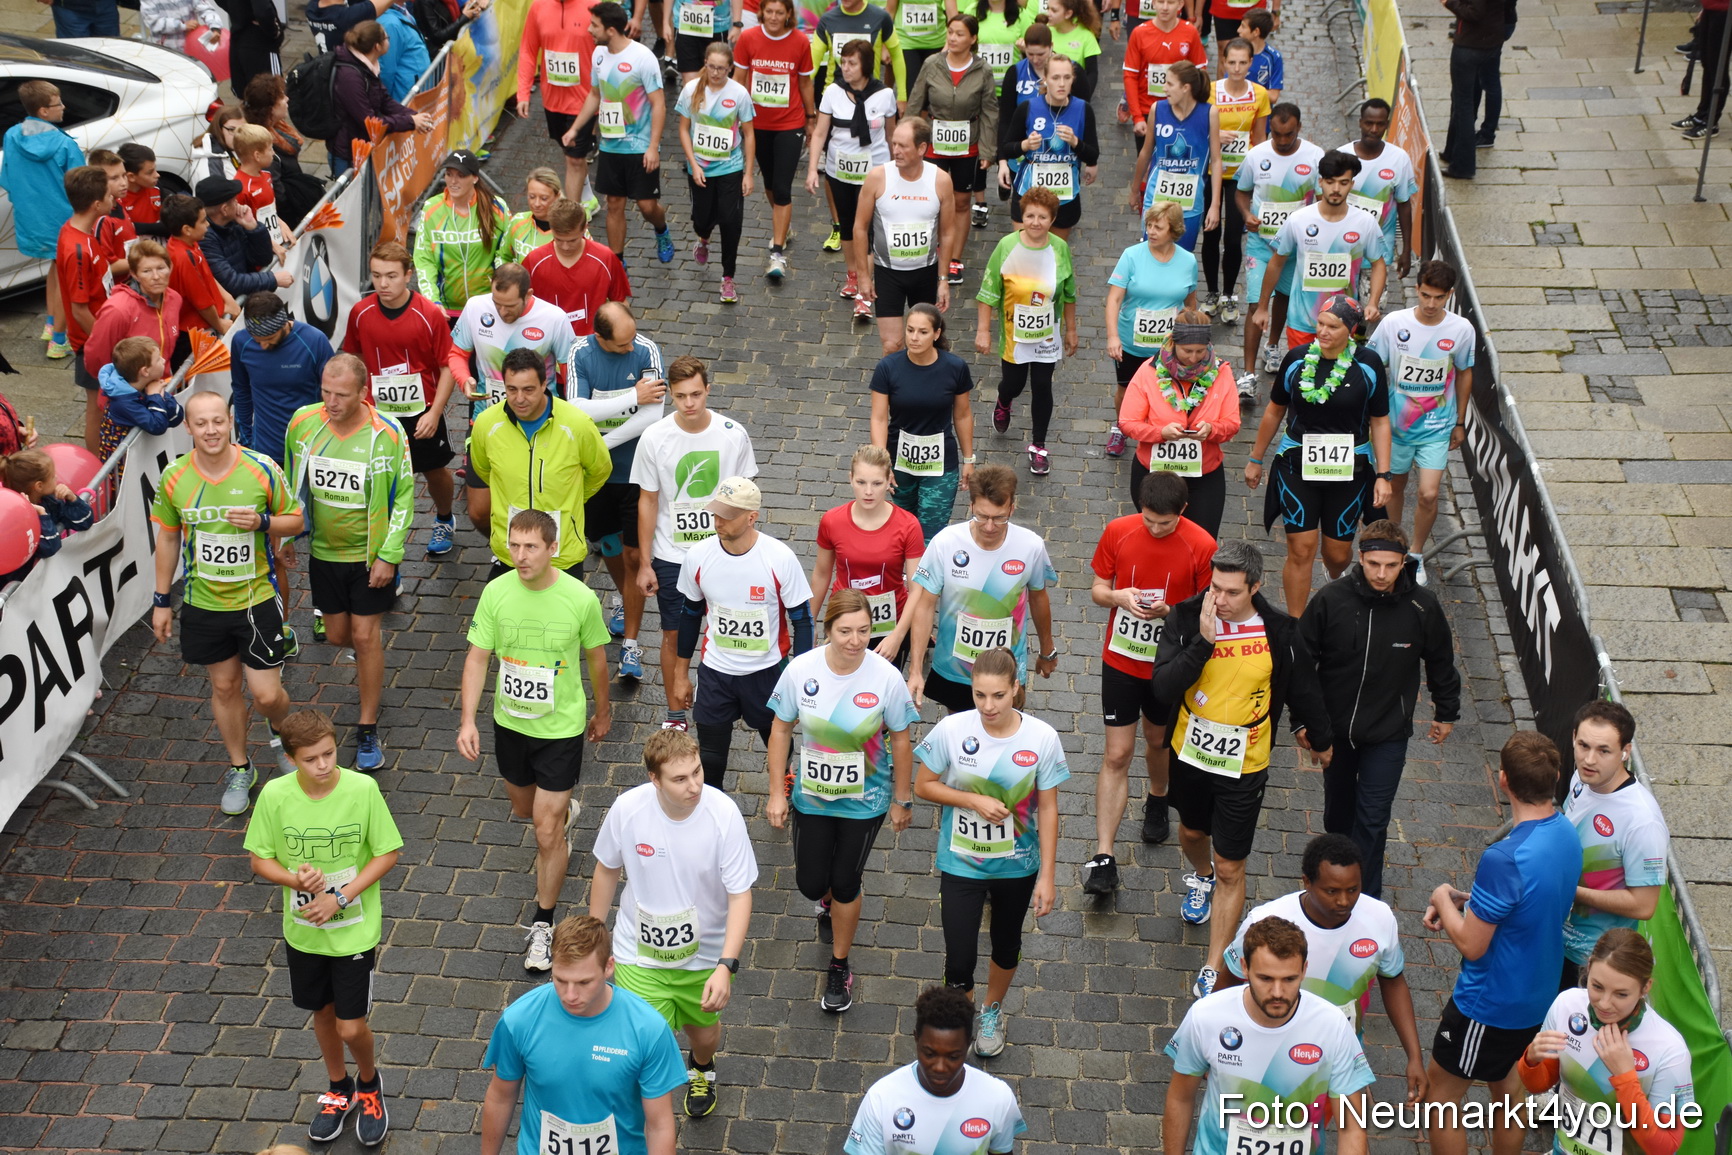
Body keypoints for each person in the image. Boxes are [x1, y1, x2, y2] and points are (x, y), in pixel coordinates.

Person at [1151, 538, 1333, 998]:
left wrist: (1320, 735)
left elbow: (1303, 688)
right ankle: (1202, 875)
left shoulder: (1281, 631)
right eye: (1216, 588)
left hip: (1246, 761)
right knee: (1192, 835)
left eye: (1233, 592)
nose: (1222, 600)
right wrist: (1203, 643)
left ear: (1256, 586)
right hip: (1190, 753)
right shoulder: (1188, 616)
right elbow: (1162, 687)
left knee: (1232, 864)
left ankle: (1214, 964)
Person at [459, 509, 613, 970]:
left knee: (545, 831)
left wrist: (602, 711)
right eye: (514, 545)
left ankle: (544, 924)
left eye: (530, 547)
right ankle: (562, 814)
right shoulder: (495, 592)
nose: (520, 556)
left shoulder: (580, 599)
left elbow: (597, 660)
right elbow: (476, 658)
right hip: (510, 724)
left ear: (553, 549)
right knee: (525, 811)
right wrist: (468, 719)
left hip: (560, 729)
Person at [243, 709, 402, 1148]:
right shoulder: (275, 796)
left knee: (351, 1026)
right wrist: (295, 879)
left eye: (329, 753)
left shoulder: (362, 789)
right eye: (311, 758)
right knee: (323, 1015)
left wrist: (341, 896)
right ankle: (338, 1087)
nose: (324, 765)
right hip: (304, 933)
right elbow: (259, 859)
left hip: (354, 930)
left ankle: (369, 1084)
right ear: (292, 759)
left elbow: (387, 853)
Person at [1422, 731, 1581, 1155]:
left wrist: (1442, 896)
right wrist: (1471, 902)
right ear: (1558, 777)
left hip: (1489, 1003)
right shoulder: (1566, 831)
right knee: (1509, 1090)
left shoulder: (1503, 857)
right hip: (1538, 994)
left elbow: (1472, 946)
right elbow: (1528, 901)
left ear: (1502, 780)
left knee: (1441, 1095)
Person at [589, 728, 759, 1118]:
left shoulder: (723, 814)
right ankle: (649, 1117)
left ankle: (701, 1067)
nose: (695, 785)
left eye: (697, 772)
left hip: (704, 960)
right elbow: (606, 870)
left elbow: (740, 895)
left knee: (704, 1035)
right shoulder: (628, 809)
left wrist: (726, 965)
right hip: (639, 956)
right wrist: (595, 939)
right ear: (655, 780)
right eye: (680, 779)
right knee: (645, 1043)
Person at [150, 391, 305, 814]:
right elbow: (166, 537)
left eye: (218, 421)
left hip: (255, 600)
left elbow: (296, 519)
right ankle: (241, 767)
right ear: (189, 428)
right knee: (223, 685)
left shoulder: (261, 469)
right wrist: (162, 599)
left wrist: (263, 522)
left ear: (230, 421)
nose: (211, 430)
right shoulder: (175, 478)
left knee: (267, 695)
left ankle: (283, 737)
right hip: (204, 603)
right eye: (201, 423)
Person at [766, 590, 918, 1011]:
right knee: (812, 883)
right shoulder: (801, 670)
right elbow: (780, 730)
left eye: (865, 631)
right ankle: (828, 901)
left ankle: (839, 966)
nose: (856, 640)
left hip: (865, 801)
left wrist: (901, 799)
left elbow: (902, 741)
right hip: (812, 799)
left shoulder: (885, 677)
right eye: (845, 631)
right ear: (827, 629)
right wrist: (777, 791)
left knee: (847, 880)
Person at [914, 647, 1066, 1056]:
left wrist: (1048, 877)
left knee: (1005, 941)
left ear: (1016, 689)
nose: (988, 705)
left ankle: (992, 1012)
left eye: (998, 695)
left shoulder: (1041, 738)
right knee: (959, 956)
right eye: (980, 695)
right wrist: (971, 801)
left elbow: (1049, 809)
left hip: (1016, 865)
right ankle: (963, 1019)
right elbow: (923, 785)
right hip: (961, 860)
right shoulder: (951, 729)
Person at [1298, 520, 1462, 899]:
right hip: (1336, 732)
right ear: (1361, 558)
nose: (1382, 574)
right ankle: (1329, 885)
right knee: (1338, 819)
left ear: (1404, 561)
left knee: (1373, 821)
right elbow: (1302, 664)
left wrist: (1445, 711)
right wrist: (1303, 722)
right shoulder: (1331, 600)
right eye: (1374, 564)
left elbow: (1440, 660)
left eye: (1391, 565)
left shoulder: (1423, 606)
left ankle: (1364, 900)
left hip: (1388, 734)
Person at [1220, 834, 1429, 1103]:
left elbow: (1393, 981)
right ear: (1307, 882)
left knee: (1353, 1133)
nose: (1344, 901)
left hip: (1341, 1051)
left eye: (1353, 889)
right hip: (1271, 1056)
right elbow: (1227, 984)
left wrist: (1414, 1057)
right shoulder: (1264, 922)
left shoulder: (1380, 918)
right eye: (1332, 891)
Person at [1081, 471, 1213, 893]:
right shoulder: (1118, 531)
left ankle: (1158, 798)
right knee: (1117, 753)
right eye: (1149, 520)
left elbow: (1206, 612)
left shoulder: (1202, 545)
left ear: (1183, 512)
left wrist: (1169, 612)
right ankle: (1104, 855)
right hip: (1120, 658)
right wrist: (1118, 597)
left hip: (1169, 663)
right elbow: (1098, 589)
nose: (1156, 529)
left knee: (1158, 741)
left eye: (1166, 523)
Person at [282, 355, 415, 772]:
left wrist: (388, 556)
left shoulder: (387, 434)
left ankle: (368, 726)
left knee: (364, 635)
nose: (331, 402)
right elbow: (291, 482)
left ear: (363, 393)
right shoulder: (304, 423)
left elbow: (405, 496)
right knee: (338, 636)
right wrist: (286, 536)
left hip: (368, 557)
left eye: (341, 395)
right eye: (325, 391)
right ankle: (366, 658)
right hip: (324, 553)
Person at [1163, 917, 1375, 1155]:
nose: (1277, 992)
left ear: (1304, 970)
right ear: (1244, 967)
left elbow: (1352, 1125)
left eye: (1289, 979)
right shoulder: (1206, 1015)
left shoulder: (1332, 1025)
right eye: (1265, 978)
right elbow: (1180, 1099)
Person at [480, 914, 688, 1155]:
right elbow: (501, 1097)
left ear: (609, 967)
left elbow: (659, 1126)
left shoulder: (647, 1029)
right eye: (560, 980)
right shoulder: (519, 1020)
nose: (570, 995)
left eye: (583, 982)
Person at [630, 356, 759, 731]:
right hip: (673, 555)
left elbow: (746, 499)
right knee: (673, 632)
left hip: (722, 551)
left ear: (708, 390)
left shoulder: (732, 434)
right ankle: (674, 714)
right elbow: (648, 500)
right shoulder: (654, 438)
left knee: (725, 625)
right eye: (682, 396)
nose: (690, 403)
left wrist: (745, 549)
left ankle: (722, 692)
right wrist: (645, 562)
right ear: (670, 394)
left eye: (697, 394)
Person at [1243, 295, 1392, 611]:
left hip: (1350, 467)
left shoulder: (1368, 365)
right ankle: (1295, 629)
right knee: (1300, 548)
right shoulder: (1297, 359)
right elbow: (1274, 411)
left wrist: (1383, 474)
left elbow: (1380, 421)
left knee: (1337, 554)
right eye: (1320, 324)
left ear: (1350, 330)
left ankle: (1333, 576)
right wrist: (1255, 459)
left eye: (1332, 326)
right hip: (1297, 463)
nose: (1323, 332)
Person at [670, 476, 815, 789]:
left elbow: (802, 620)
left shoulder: (779, 558)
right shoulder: (698, 556)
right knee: (710, 756)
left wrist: (801, 681)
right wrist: (681, 675)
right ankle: (714, 804)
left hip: (766, 673)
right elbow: (690, 615)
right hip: (716, 672)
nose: (718, 521)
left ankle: (785, 777)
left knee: (777, 740)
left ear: (752, 517)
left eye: (728, 515)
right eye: (716, 512)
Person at [1519, 929, 1696, 1155]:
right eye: (1597, 986)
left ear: (1645, 988)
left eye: (1621, 994)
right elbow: (1538, 1085)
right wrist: (1531, 1060)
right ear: (1589, 967)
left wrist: (1625, 1078)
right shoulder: (1567, 1005)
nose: (1604, 1004)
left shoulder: (1670, 1049)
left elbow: (1665, 1144)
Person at [341, 240, 460, 558]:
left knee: (434, 470)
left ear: (408, 275)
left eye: (391, 275)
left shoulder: (428, 315)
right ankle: (377, 533)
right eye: (377, 275)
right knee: (378, 474)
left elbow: (448, 365)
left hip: (421, 411)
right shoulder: (360, 312)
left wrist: (435, 413)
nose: (382, 284)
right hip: (378, 415)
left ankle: (445, 518)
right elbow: (352, 355)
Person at [904, 464, 1056, 712]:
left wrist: (1047, 650)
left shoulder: (1031, 546)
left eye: (999, 518)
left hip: (1006, 670)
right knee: (962, 742)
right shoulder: (946, 542)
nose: (989, 526)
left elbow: (1038, 598)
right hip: (957, 669)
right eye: (982, 516)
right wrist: (915, 670)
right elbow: (925, 604)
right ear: (971, 506)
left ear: (1011, 507)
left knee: (1003, 738)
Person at [568, 300, 667, 677]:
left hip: (634, 473)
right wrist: (631, 398)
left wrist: (601, 445)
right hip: (595, 478)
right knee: (609, 547)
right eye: (622, 345)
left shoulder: (646, 350)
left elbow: (652, 415)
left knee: (632, 555)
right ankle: (625, 599)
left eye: (632, 339)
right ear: (599, 337)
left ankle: (631, 645)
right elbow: (576, 410)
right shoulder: (580, 352)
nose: (631, 348)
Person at [1366, 260, 1476, 582]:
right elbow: (1373, 365)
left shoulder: (1461, 330)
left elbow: (1465, 373)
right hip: (1396, 428)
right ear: (1416, 290)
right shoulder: (1393, 323)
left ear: (1449, 295)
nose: (1430, 304)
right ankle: (1395, 547)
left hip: (1436, 428)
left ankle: (1415, 554)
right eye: (1426, 295)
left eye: (1438, 298)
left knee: (1428, 493)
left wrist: (1459, 421)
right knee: (1394, 487)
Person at [468, 347, 613, 579]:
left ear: (545, 384)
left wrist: (573, 496)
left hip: (562, 553)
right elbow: (484, 469)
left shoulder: (578, 425)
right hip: (511, 554)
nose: (519, 399)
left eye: (528, 390)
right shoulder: (486, 424)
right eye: (511, 390)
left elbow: (600, 470)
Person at [1560, 701, 1669, 991]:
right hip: (1554, 938)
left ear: (1625, 751)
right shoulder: (1581, 778)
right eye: (1583, 745)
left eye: (1603, 750)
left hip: (1592, 961)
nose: (1589, 759)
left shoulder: (1642, 821)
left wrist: (1571, 891)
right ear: (1573, 738)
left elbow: (1644, 905)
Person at [845, 985, 1028, 1154]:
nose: (940, 1067)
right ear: (916, 1039)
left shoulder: (998, 1098)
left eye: (953, 1057)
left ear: (968, 1044)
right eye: (930, 1054)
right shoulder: (881, 1099)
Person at [976, 186, 1078, 476]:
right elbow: (988, 294)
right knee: (1014, 384)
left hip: (1047, 333)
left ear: (1052, 219)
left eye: (1042, 217)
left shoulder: (1060, 248)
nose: (1035, 222)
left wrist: (1071, 331)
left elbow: (1068, 294)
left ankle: (1039, 446)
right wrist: (983, 331)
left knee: (1043, 385)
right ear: (1022, 217)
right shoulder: (1007, 247)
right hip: (1013, 335)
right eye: (1030, 216)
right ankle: (1003, 400)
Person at [568, 2, 676, 264]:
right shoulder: (598, 55)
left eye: (594, 25)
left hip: (639, 146)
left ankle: (661, 229)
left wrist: (653, 147)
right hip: (610, 145)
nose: (589, 30)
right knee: (614, 204)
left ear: (612, 30)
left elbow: (658, 103)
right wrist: (575, 128)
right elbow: (595, 95)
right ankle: (618, 263)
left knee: (646, 206)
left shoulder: (643, 58)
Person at [1118, 307, 1241, 535]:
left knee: (1202, 540)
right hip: (1155, 474)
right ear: (1173, 343)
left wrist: (1213, 429)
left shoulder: (1221, 373)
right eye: (1187, 351)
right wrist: (1160, 433)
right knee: (1157, 537)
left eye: (1200, 351)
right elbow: (1127, 422)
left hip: (1204, 475)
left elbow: (1232, 423)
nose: (1193, 358)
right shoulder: (1148, 371)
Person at [1253, 152, 1387, 350]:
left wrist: (1373, 302)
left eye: (1343, 183)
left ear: (1351, 184)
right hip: (1302, 322)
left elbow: (1378, 263)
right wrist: (1262, 307)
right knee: (1303, 379)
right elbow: (1277, 261)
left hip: (1343, 323)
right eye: (1330, 182)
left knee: (1337, 379)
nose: (1336, 189)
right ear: (1321, 182)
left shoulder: (1365, 222)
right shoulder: (1299, 219)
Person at [807, 39, 900, 312]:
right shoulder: (833, 92)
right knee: (847, 226)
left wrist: (898, 170)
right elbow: (821, 133)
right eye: (843, 63)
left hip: (874, 174)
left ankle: (864, 288)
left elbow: (892, 134)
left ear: (866, 65)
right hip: (840, 171)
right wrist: (813, 168)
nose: (846, 69)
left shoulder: (883, 95)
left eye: (852, 63)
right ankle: (852, 274)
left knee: (867, 231)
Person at [868, 303, 974, 542]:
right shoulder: (888, 368)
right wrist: (881, 462)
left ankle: (921, 578)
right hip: (899, 461)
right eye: (910, 330)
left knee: (930, 534)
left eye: (923, 332)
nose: (914, 338)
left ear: (937, 334)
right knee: (901, 528)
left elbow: (963, 415)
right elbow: (879, 417)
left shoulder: (955, 368)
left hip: (940, 465)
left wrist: (969, 459)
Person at [1235, 102, 1321, 394]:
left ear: (1299, 128)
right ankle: (1247, 374)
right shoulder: (1256, 155)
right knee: (1255, 303)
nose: (1283, 141)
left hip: (1296, 249)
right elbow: (1242, 192)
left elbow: (1322, 200)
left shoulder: (1314, 156)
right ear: (1270, 127)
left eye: (1289, 134)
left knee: (1283, 296)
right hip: (1261, 246)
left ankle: (1272, 346)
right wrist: (1247, 215)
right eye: (1277, 134)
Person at [811, 446, 927, 660]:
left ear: (889, 480)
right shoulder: (832, 521)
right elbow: (821, 574)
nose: (868, 492)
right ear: (850, 478)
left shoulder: (908, 526)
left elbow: (916, 588)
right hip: (843, 619)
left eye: (877, 483)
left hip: (889, 625)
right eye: (861, 482)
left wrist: (898, 636)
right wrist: (811, 623)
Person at [1105, 203, 1199, 460]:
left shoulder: (1187, 261)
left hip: (1170, 346)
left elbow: (1190, 302)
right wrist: (1113, 336)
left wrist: (1192, 334)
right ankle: (1121, 426)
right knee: (1125, 388)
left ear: (1175, 230)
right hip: (1132, 342)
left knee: (1169, 390)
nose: (1151, 231)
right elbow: (1114, 299)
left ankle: (1163, 430)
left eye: (1159, 227)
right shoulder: (1131, 256)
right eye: (1149, 225)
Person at [906, 17, 996, 285]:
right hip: (934, 143)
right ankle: (930, 253)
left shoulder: (983, 70)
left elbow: (990, 111)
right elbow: (915, 102)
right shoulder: (932, 64)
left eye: (960, 34)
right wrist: (904, 142)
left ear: (973, 39)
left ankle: (954, 258)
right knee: (929, 200)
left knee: (960, 201)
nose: (953, 38)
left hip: (967, 147)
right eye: (950, 33)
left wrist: (988, 150)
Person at [733, 0, 817, 276]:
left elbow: (805, 82)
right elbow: (740, 79)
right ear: (761, 12)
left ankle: (777, 252)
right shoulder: (748, 38)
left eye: (779, 13)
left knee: (782, 186)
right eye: (769, 11)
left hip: (789, 123)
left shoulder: (800, 42)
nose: (773, 17)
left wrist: (810, 117)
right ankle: (784, 224)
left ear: (789, 14)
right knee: (770, 182)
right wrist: (734, 115)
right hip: (757, 124)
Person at [0, 81, 83, 361]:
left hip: (32, 220)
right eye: (59, 103)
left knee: (54, 270)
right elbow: (81, 187)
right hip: (65, 221)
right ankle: (59, 340)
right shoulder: (63, 143)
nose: (64, 107)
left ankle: (50, 324)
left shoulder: (11, 135)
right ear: (44, 111)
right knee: (69, 281)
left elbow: (7, 178)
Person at [857, 118, 954, 341]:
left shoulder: (940, 180)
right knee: (892, 345)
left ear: (921, 148)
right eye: (894, 144)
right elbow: (860, 228)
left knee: (925, 343)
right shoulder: (877, 177)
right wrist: (863, 275)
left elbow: (948, 233)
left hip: (925, 272)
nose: (896, 151)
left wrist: (943, 279)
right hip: (888, 273)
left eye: (903, 146)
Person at [676, 42, 757, 303]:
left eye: (722, 68)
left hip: (730, 166)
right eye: (711, 67)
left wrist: (748, 173)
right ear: (706, 63)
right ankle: (703, 237)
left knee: (730, 220)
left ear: (730, 68)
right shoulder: (691, 90)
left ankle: (728, 278)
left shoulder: (739, 93)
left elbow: (749, 133)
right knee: (702, 217)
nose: (715, 73)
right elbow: (683, 129)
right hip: (700, 167)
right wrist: (694, 164)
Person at [83, 241, 183, 447]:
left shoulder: (174, 299)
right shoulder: (118, 310)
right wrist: (121, 389)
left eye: (161, 268)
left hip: (157, 392)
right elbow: (96, 359)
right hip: (126, 403)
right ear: (135, 275)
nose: (156, 276)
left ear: (170, 268)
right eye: (147, 271)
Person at [1199, 40, 1268, 321]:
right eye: (1232, 63)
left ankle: (1229, 295)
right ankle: (1212, 292)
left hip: (1241, 177)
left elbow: (1261, 139)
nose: (1237, 68)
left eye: (1243, 63)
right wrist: (1214, 137)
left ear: (1251, 63)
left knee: (1233, 238)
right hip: (1211, 172)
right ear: (1223, 63)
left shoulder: (1260, 94)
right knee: (1210, 234)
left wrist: (1261, 175)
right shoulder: (1211, 92)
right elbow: (1197, 130)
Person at [997, 53, 1099, 242]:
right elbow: (1007, 147)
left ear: (1073, 80)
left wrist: (1076, 143)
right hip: (1028, 192)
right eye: (1055, 78)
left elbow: (1093, 155)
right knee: (1023, 251)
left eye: (1067, 78)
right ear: (1045, 79)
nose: (1061, 84)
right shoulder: (1027, 108)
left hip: (1065, 196)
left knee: (1054, 256)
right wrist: (1025, 145)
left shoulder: (1083, 109)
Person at [448, 263, 577, 410]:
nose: (502, 312)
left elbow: (571, 373)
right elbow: (457, 354)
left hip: (540, 416)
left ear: (528, 294)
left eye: (510, 306)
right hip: (487, 413)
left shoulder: (555, 318)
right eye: (497, 304)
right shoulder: (475, 307)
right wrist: (464, 380)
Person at [54, 167, 119, 449]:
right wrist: (105, 342)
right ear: (96, 205)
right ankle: (95, 469)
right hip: (91, 343)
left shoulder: (80, 233)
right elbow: (80, 309)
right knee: (96, 406)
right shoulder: (77, 249)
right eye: (108, 194)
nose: (114, 198)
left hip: (100, 334)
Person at [230, 292, 334, 466]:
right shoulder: (241, 342)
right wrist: (246, 441)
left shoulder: (314, 341)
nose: (263, 346)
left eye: (269, 339)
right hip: (264, 450)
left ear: (284, 325)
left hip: (310, 446)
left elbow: (334, 393)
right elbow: (241, 391)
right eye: (257, 341)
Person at [1132, 62, 1220, 257]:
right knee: (1150, 255)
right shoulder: (1158, 109)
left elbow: (1216, 160)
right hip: (1156, 196)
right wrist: (1134, 190)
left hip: (1190, 203)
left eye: (1170, 84)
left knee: (1182, 257)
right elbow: (1146, 152)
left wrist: (1214, 206)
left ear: (1185, 88)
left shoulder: (1209, 113)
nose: (1164, 88)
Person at [329, 21, 437, 178]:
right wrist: (411, 121)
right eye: (387, 37)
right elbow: (370, 122)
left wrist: (414, 115)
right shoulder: (350, 77)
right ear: (377, 46)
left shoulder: (366, 65)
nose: (389, 40)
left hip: (363, 148)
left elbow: (384, 100)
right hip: (349, 156)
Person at [413, 151, 512, 319]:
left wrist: (504, 296)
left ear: (474, 178)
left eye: (461, 175)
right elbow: (424, 259)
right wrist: (432, 301)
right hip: (447, 310)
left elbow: (509, 253)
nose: (453, 181)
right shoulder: (431, 208)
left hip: (489, 306)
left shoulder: (497, 208)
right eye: (449, 174)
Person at [520, 0, 600, 202]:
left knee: (573, 158)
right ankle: (588, 197)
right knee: (570, 153)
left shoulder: (593, 6)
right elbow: (528, 50)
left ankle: (572, 215)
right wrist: (523, 93)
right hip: (553, 100)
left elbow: (610, 49)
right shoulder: (538, 7)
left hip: (585, 100)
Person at [525, 198, 633, 337]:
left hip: (594, 342)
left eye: (572, 240)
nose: (565, 247)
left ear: (585, 228)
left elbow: (620, 303)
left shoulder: (605, 258)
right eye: (559, 239)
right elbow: (524, 305)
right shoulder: (534, 261)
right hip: (549, 343)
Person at [1339, 99, 1415, 282]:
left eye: (1380, 124)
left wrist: (1406, 250)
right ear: (1360, 122)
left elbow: (1404, 205)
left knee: (1373, 310)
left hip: (1378, 255)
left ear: (1387, 125)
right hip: (1342, 251)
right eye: (1369, 123)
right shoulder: (1341, 156)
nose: (1374, 129)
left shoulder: (1399, 159)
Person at [0, 449, 96, 589]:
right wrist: (42, 516)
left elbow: (85, 522)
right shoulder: (14, 516)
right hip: (15, 587)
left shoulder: (50, 501)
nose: (56, 477)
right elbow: (50, 548)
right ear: (39, 486)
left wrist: (72, 499)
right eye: (52, 476)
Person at [1440, 0, 1508, 178]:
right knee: (1464, 100)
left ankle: (1463, 166)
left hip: (1471, 45)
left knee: (1463, 106)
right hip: (1491, 41)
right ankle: (1451, 151)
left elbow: (1474, 12)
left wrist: (1450, 3)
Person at [197, 175, 294, 300]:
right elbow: (232, 282)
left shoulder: (234, 223)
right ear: (225, 210)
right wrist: (273, 279)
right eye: (234, 200)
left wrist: (253, 227)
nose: (238, 203)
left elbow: (262, 259)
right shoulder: (205, 239)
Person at [1121, 0, 1203, 145]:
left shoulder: (1190, 32)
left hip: (1181, 110)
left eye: (1170, 3)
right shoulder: (1139, 33)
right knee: (1146, 163)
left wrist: (1195, 110)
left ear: (1180, 5)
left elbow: (1200, 74)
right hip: (1148, 110)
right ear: (1153, 3)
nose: (1165, 8)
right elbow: (1130, 76)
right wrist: (1137, 117)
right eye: (1160, 2)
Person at [163, 193, 239, 349]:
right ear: (187, 229)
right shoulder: (183, 258)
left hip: (208, 323)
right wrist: (220, 325)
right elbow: (202, 303)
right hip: (193, 335)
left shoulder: (191, 242)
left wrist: (228, 298)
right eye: (203, 221)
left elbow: (207, 275)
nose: (208, 225)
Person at [96, 336, 185, 467]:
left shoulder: (145, 385)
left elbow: (177, 416)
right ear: (145, 371)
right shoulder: (123, 402)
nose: (164, 360)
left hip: (141, 459)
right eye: (158, 359)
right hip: (123, 467)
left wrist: (161, 396)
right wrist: (155, 396)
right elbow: (157, 426)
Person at [497, 168, 565, 266]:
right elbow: (502, 256)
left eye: (544, 198)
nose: (536, 204)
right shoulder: (518, 221)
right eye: (532, 197)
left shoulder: (572, 226)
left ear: (557, 196)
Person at [377, 0, 433, 102]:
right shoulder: (389, 23)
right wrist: (388, 105)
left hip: (417, 93)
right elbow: (386, 70)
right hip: (405, 98)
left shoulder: (402, 12)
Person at [1043, 0, 1102, 92]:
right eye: (1048, 8)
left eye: (1054, 11)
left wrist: (1085, 96)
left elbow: (1092, 72)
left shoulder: (1086, 36)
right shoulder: (1045, 31)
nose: (1048, 14)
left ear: (1068, 14)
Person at [1240, 8, 1282, 99]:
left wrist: (1245, 89)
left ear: (1256, 32)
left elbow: (1273, 96)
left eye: (1243, 27)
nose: (1238, 30)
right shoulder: (1235, 52)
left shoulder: (1274, 58)